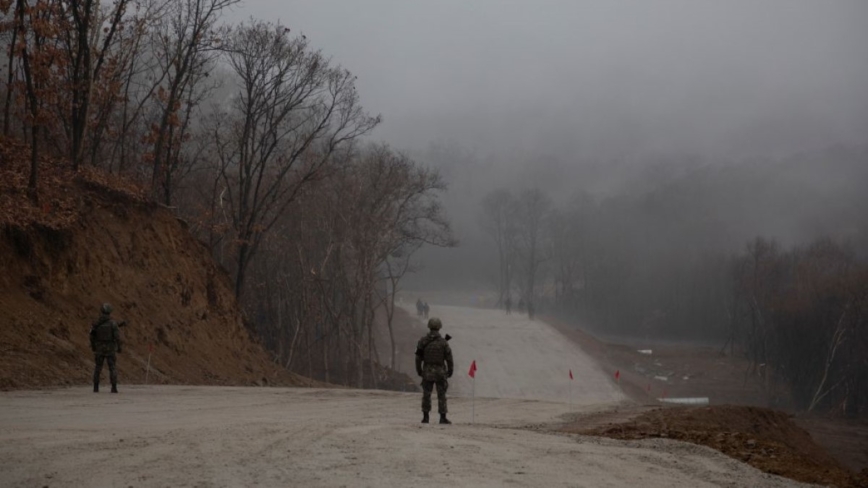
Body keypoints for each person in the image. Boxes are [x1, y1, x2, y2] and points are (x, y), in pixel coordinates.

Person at [415, 317, 453, 424]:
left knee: (426, 394)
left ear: (429, 326)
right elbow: (449, 358)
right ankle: (442, 417)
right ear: (439, 327)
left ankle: (425, 417)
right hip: (440, 372)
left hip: (427, 371)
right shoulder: (444, 342)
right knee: (441, 395)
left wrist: (419, 370)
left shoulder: (422, 341)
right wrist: (450, 370)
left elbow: (418, 357)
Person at [90, 303, 125, 393]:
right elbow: (117, 337)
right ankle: (113, 387)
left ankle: (96, 387)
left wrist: (94, 347)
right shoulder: (113, 324)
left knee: (98, 368)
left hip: (99, 348)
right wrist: (119, 347)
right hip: (110, 349)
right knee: (112, 368)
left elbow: (91, 336)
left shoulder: (96, 323)